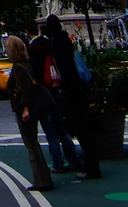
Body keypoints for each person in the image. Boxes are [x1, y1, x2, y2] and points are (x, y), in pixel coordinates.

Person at [43, 14, 101, 180]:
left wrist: (62, 87)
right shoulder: (66, 40)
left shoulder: (57, 44)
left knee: (80, 129)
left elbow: (65, 70)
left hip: (71, 91)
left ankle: (90, 168)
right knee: (83, 129)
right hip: (78, 89)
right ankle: (90, 166)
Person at [25, 20, 81, 173]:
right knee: (62, 129)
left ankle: (57, 163)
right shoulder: (49, 43)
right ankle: (74, 159)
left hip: (43, 93)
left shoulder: (32, 48)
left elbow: (34, 72)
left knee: (51, 132)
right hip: (56, 89)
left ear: (27, 31)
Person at [5, 34, 54, 192]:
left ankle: (42, 180)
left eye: (7, 47)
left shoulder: (18, 67)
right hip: (29, 108)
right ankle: (43, 178)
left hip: (24, 109)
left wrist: (25, 108)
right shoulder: (25, 64)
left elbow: (25, 89)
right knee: (33, 143)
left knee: (31, 144)